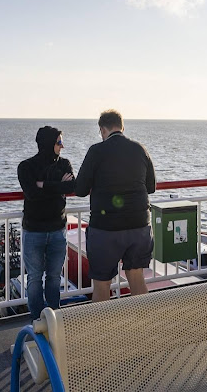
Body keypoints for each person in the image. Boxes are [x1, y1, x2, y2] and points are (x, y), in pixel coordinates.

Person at [74, 110, 156, 302]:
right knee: (136, 276)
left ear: (102, 130)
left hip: (106, 228)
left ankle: (104, 322)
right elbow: (151, 187)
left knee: (102, 283)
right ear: (122, 127)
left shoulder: (96, 151)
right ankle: (144, 319)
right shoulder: (140, 149)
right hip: (139, 225)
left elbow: (80, 189)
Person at [17, 126, 75, 320]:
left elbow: (72, 186)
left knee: (54, 277)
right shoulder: (26, 167)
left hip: (58, 230)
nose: (62, 146)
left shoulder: (64, 164)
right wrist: (58, 185)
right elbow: (32, 194)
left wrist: (44, 184)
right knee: (34, 279)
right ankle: (37, 321)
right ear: (49, 143)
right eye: (59, 142)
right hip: (34, 231)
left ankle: (53, 320)